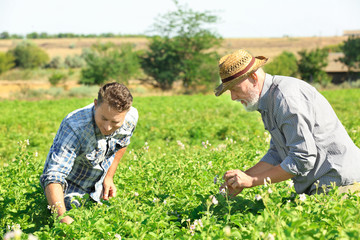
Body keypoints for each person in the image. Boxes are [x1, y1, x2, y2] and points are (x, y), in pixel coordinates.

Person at [215, 49, 360, 197]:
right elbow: (277, 153)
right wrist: (240, 180)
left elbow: (302, 157)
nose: (233, 97)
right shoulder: (268, 101)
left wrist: (252, 180)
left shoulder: (285, 99)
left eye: (235, 89)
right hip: (321, 184)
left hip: (341, 184)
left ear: (253, 77)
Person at [40, 82, 138, 224]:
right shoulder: (74, 126)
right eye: (103, 118)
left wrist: (109, 176)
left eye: (115, 122)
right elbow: (54, 175)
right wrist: (62, 217)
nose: (107, 127)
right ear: (96, 104)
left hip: (99, 188)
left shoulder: (130, 118)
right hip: (70, 188)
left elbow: (123, 142)